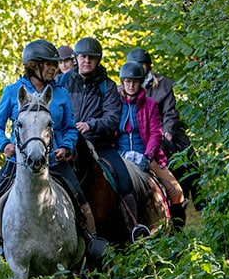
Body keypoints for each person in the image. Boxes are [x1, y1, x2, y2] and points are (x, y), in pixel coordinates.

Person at [0, 39, 106, 273]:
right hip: (18, 162)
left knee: (79, 197)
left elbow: (68, 128)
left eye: (54, 64)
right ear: (33, 65)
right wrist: (4, 145)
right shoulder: (13, 91)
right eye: (48, 64)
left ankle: (92, 242)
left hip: (53, 161)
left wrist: (65, 147)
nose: (53, 68)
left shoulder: (61, 94)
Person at [58, 36, 148, 238]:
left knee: (124, 180)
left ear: (98, 60)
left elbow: (113, 118)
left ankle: (134, 228)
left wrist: (90, 125)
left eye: (91, 58)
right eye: (82, 57)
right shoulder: (62, 82)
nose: (86, 61)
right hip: (66, 144)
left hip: (99, 145)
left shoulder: (107, 86)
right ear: (76, 58)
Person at [126, 47, 203, 208]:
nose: (137, 68)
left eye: (141, 64)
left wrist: (167, 131)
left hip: (161, 127)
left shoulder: (164, 85)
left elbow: (170, 112)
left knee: (187, 151)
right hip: (138, 130)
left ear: (148, 65)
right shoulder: (127, 86)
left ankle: (197, 193)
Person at [117, 61, 187, 230]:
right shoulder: (115, 103)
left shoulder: (150, 104)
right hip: (120, 156)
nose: (131, 85)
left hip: (145, 155)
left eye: (134, 82)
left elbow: (156, 132)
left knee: (177, 192)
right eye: (127, 81)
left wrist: (148, 156)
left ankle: (175, 230)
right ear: (122, 82)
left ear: (140, 82)